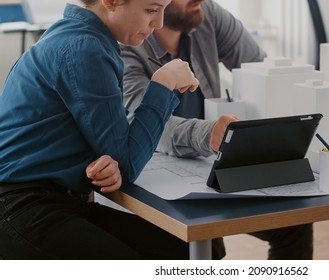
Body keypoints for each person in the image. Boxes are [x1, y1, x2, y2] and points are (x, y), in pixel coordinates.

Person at [0, 0, 204, 259]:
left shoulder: (78, 36)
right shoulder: (86, 48)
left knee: (192, 248)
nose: (160, 22)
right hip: (25, 209)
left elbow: (113, 152)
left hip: (57, 202)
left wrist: (104, 160)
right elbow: (127, 164)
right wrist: (163, 84)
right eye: (152, 10)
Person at [120, 0, 314, 259]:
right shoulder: (127, 41)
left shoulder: (205, 13)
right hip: (153, 174)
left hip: (207, 166)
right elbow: (148, 125)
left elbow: (261, 70)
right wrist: (209, 133)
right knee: (208, 249)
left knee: (295, 224)